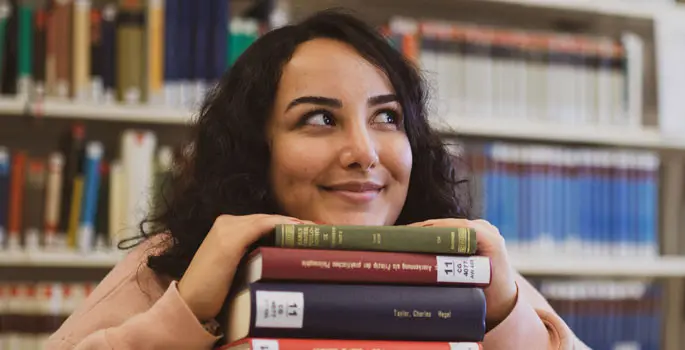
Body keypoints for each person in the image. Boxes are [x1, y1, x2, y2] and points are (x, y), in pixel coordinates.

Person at [45, 8, 587, 350]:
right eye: (320, 118)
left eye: (387, 117)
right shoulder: (173, 262)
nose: (364, 152)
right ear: (257, 147)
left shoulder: (460, 263)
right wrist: (185, 313)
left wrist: (504, 316)